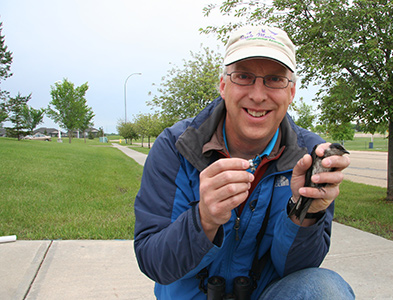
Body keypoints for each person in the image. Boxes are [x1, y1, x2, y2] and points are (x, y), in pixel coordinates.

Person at [134, 25, 355, 300]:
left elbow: (299, 270)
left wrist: (305, 211)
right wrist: (204, 219)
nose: (258, 95)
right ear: (224, 85)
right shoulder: (176, 146)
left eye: (274, 79)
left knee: (325, 289)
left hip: (267, 294)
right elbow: (156, 263)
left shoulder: (311, 155)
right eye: (243, 77)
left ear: (292, 92)